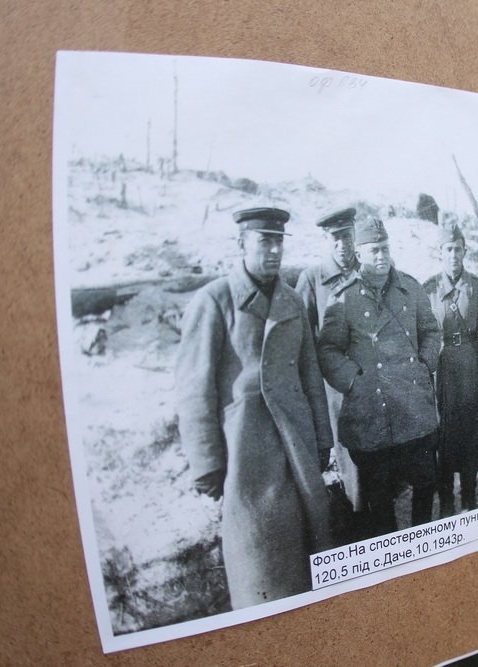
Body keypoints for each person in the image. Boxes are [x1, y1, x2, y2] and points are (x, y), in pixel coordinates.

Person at [176, 206, 333, 610]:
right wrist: (207, 463)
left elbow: (310, 373)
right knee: (259, 563)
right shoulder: (215, 301)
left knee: (310, 550)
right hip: (245, 453)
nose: (274, 251)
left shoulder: (292, 300)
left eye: (279, 241)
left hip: (295, 447)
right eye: (265, 241)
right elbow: (194, 389)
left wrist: (321, 438)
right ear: (241, 244)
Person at [317, 217, 442, 536]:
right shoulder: (344, 298)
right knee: (381, 497)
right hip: (374, 413)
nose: (381, 257)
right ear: (359, 254)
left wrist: (425, 364)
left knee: (426, 481)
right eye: (373, 251)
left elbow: (430, 330)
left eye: (384, 249)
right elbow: (328, 350)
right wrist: (354, 381)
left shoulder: (410, 287)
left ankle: (423, 542)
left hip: (414, 407)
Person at [423, 224, 478, 516]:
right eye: (448, 249)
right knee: (443, 435)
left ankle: (467, 497)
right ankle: (447, 503)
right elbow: (423, 334)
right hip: (442, 370)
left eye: (458, 249)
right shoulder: (428, 289)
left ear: (465, 251)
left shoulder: (476, 287)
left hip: (469, 366)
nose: (453, 255)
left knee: (469, 433)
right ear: (440, 253)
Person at [295, 208, 364, 518]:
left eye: (347, 236)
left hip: (373, 381)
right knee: (351, 462)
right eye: (336, 238)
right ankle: (361, 523)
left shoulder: (368, 273)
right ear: (327, 240)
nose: (342, 245)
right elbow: (302, 340)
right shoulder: (312, 280)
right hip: (336, 391)